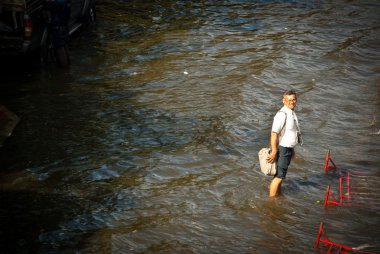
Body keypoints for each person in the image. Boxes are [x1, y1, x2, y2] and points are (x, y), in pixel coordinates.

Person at [267, 89, 302, 197]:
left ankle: (278, 194)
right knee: (279, 176)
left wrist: (292, 149)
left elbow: (289, 133)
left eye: (294, 100)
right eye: (290, 100)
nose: (292, 102)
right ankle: (271, 202)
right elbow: (274, 133)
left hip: (287, 148)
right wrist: (273, 151)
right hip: (283, 149)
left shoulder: (291, 112)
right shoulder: (282, 114)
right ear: (284, 101)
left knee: (280, 175)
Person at [45, 0, 71, 67]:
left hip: (58, 30)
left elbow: (48, 5)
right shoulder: (66, 2)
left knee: (60, 49)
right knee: (65, 46)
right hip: (64, 28)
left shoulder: (58, 3)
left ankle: (65, 72)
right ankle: (68, 68)